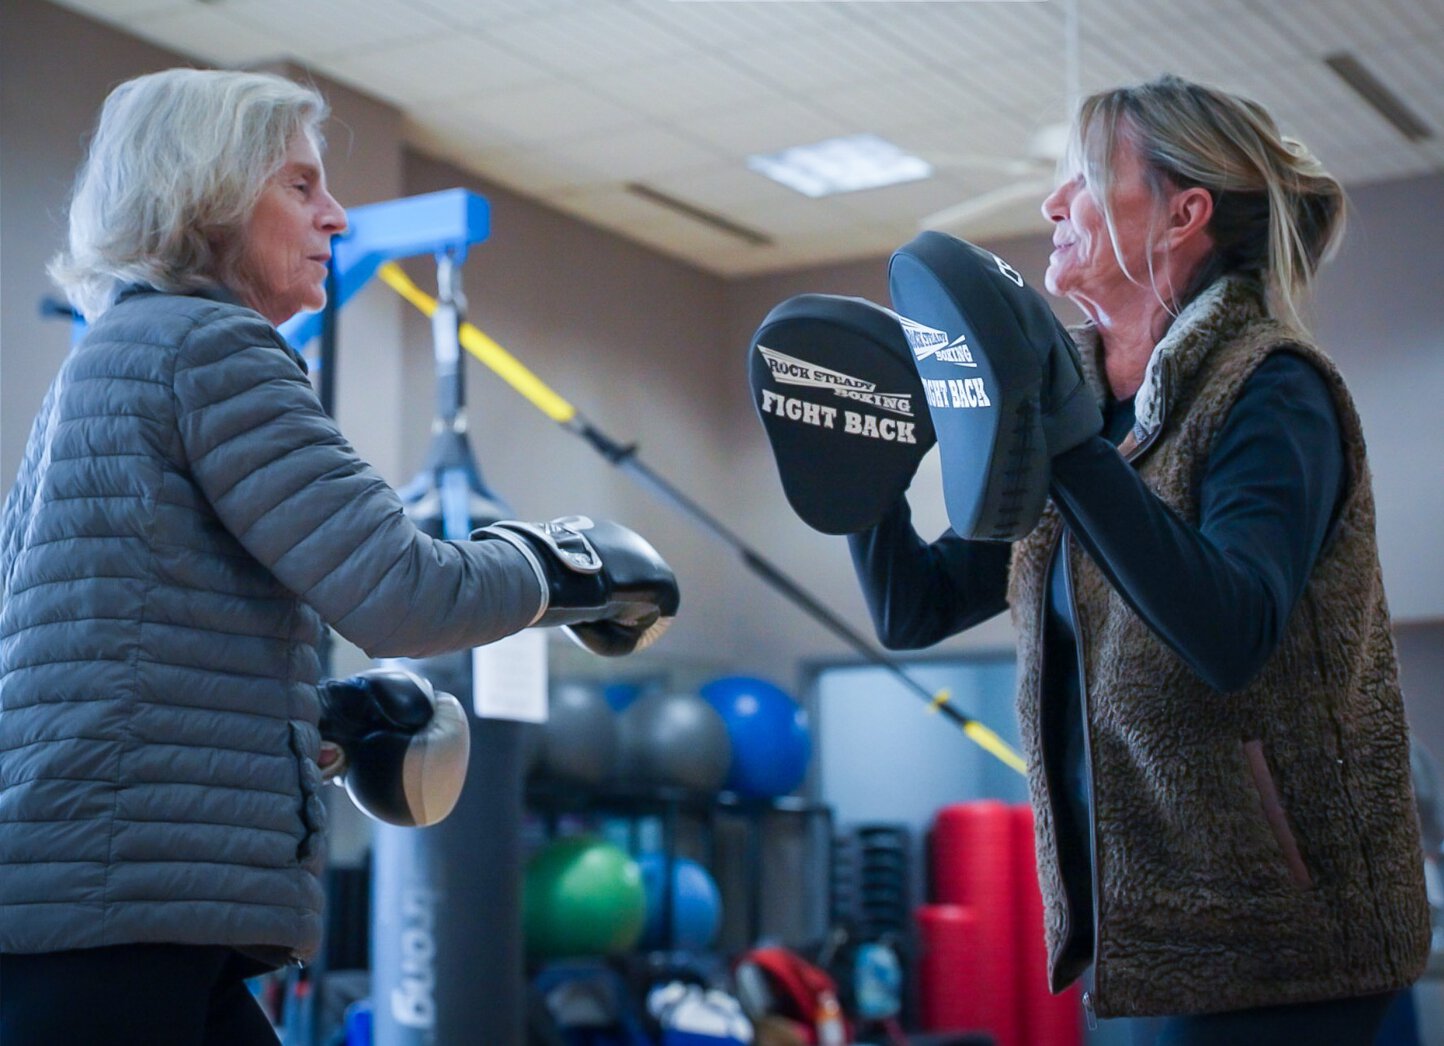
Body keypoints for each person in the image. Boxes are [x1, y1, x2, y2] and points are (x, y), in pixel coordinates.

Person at [0, 68, 677, 1045]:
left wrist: (302, 720)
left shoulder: (106, 361)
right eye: (301, 185)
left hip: (96, 903)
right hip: (123, 910)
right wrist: (567, 568)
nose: (338, 217)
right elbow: (404, 592)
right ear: (210, 192)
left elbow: (94, 658)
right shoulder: (209, 347)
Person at [851, 74, 1429, 1044]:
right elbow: (917, 606)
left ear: (1181, 214)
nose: (1052, 205)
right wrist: (858, 476)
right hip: (1135, 949)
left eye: (1081, 177)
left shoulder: (1269, 388)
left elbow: (1230, 628)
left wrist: (1068, 441)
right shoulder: (1075, 413)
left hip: (1294, 961)